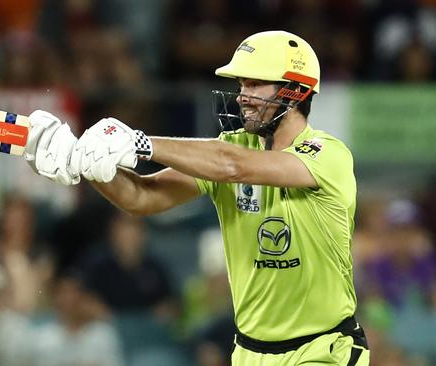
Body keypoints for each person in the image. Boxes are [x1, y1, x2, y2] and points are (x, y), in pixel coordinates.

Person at [24, 30, 369, 365]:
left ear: (294, 91)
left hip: (323, 350)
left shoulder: (327, 154)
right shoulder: (232, 148)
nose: (241, 96)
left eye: (254, 84)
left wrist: (138, 143)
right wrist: (83, 164)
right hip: (250, 353)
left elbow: (231, 166)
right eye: (241, 85)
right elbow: (141, 197)